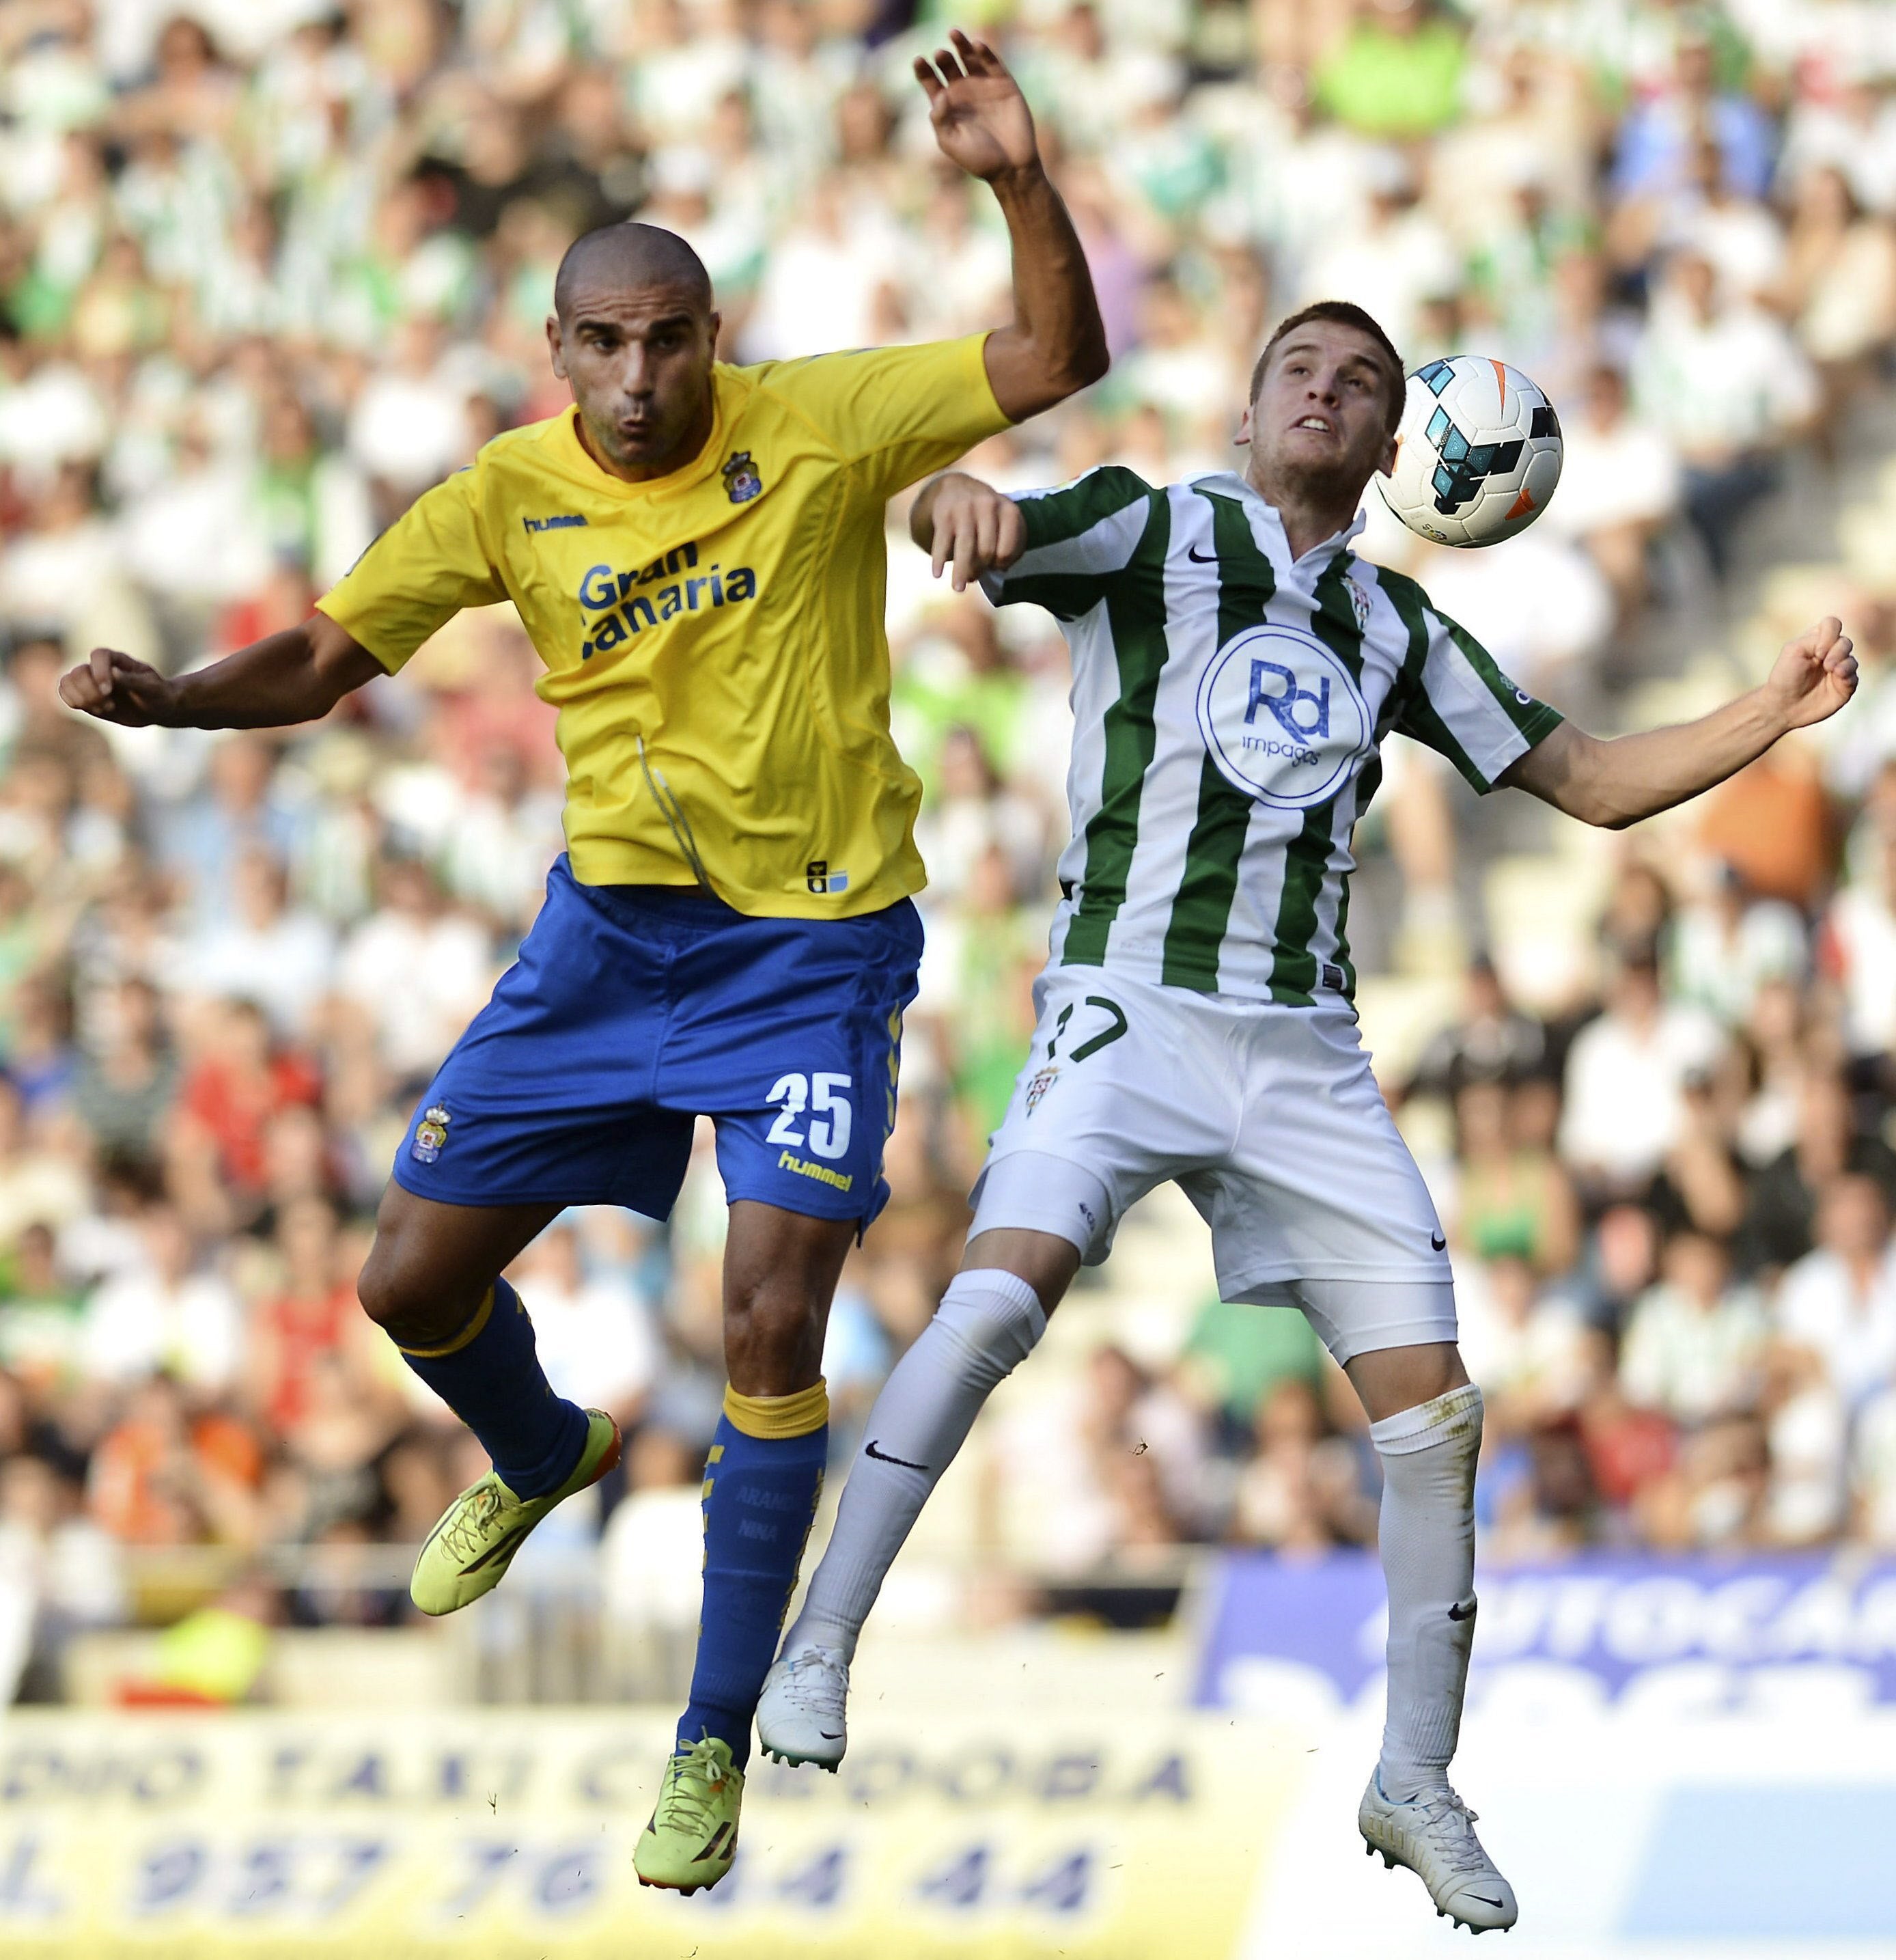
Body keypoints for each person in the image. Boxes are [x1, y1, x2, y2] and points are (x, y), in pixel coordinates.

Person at [57, 30, 1107, 1896]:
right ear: (559, 353)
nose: (639, 378)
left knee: (772, 1321)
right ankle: (539, 1446)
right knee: (402, 1278)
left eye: (670, 338)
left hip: (808, 948)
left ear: (716, 335)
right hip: (605, 943)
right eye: (604, 345)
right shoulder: (503, 494)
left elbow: (1053, 360)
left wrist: (1018, 180)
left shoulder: (829, 417)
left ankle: (710, 1735)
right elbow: (326, 655)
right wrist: (174, 700)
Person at [756, 299, 1858, 1933]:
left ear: (1393, 437)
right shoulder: (1148, 524)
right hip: (1126, 1002)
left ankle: (1414, 1778)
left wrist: (1765, 713)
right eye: (1300, 371)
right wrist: (958, 505)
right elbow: (956, 519)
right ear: (1246, 411)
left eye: (1359, 380)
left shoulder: (1396, 627)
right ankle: (826, 1636)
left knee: (1437, 1411)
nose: (1327, 393)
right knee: (997, 1294)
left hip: (1305, 1051)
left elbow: (1595, 779)